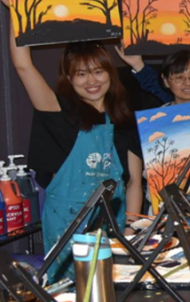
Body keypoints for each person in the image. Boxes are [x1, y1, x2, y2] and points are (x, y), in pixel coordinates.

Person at [8, 16, 143, 281]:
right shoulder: (58, 111)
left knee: (111, 292)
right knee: (72, 293)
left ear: (109, 74)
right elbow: (23, 65)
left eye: (98, 71)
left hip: (111, 223)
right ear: (69, 78)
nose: (91, 80)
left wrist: (130, 228)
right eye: (81, 74)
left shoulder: (123, 120)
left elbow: (135, 181)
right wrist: (18, 10)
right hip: (66, 225)